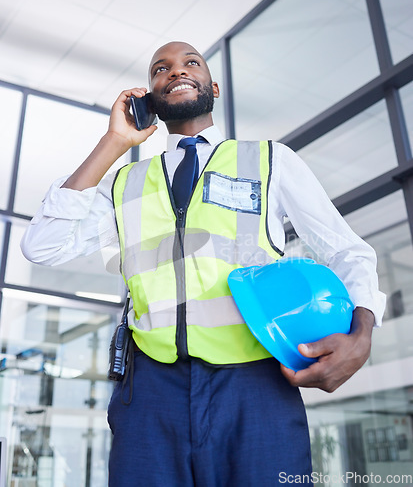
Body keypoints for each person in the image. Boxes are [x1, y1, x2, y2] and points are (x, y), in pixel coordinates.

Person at [21, 41, 386, 486]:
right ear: (149, 98)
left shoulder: (270, 160)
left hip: (255, 387)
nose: (176, 72)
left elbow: (347, 251)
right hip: (150, 392)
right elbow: (42, 246)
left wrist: (362, 333)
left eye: (190, 63)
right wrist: (113, 143)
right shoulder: (124, 183)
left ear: (212, 85)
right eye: (161, 69)